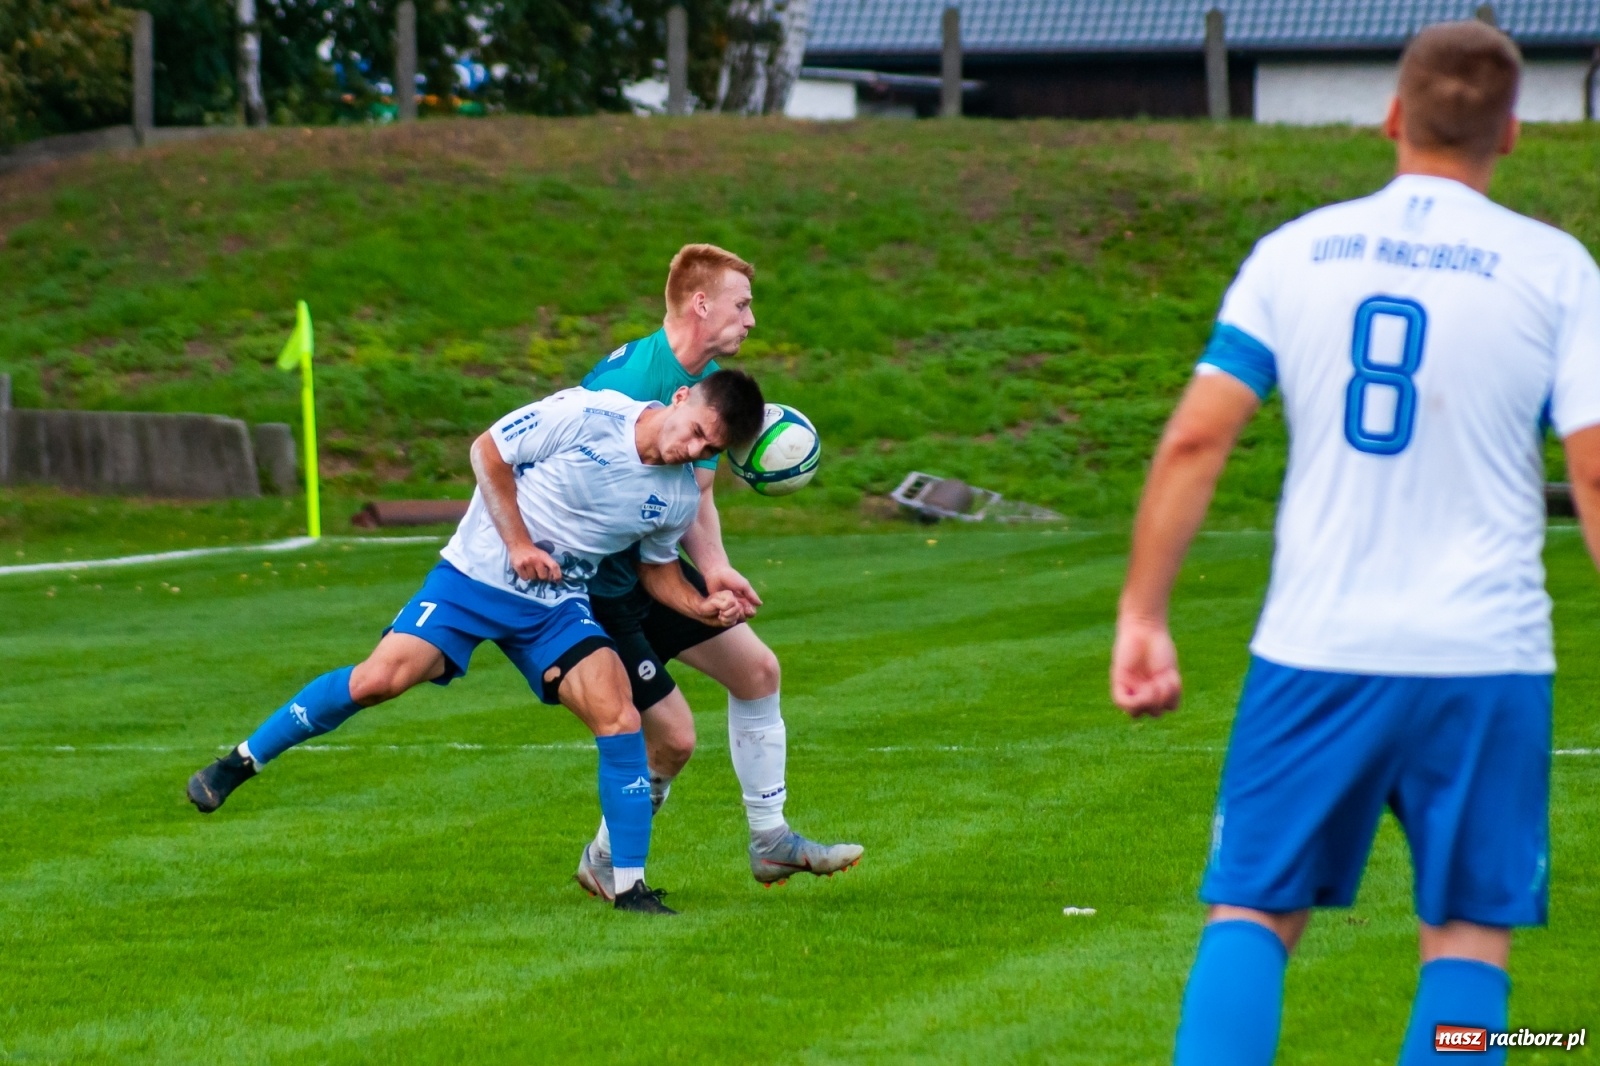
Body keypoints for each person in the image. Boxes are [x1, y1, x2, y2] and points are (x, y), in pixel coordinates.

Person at [1110, 21, 1600, 1064]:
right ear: (1511, 131)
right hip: (1485, 655)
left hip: (1317, 649)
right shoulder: (1557, 270)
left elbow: (1197, 436)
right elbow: (1593, 470)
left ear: (1392, 115)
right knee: (1468, 936)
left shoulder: (1294, 254)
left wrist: (1142, 613)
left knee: (1251, 911)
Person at [186, 373, 767, 915]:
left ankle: (629, 886)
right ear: (682, 397)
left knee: (618, 714)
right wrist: (517, 543)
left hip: (555, 605)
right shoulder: (587, 413)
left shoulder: (677, 496)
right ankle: (238, 762)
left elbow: (657, 567)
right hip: (474, 579)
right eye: (694, 433)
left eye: (707, 450)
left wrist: (701, 606)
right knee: (378, 681)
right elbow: (487, 453)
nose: (692, 451)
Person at [571, 243, 862, 899]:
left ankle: (771, 842)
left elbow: (695, 494)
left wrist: (718, 569)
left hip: (649, 567)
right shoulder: (624, 389)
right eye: (743, 303)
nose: (751, 319)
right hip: (595, 586)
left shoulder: (705, 391)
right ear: (702, 304)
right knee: (673, 739)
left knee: (757, 670)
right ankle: (605, 860)